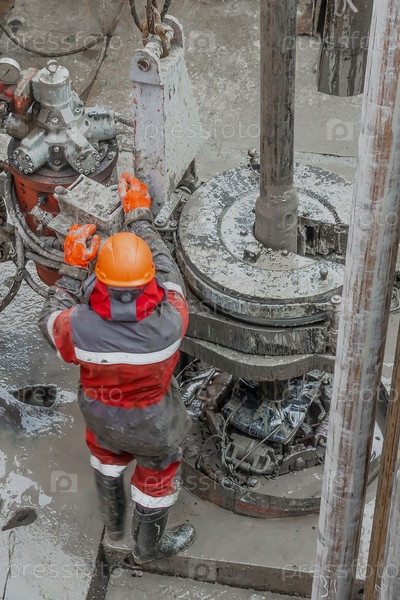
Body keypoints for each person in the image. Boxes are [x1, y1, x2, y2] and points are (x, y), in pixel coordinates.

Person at [39, 173, 195, 564]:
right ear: (148, 281)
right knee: (157, 480)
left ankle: (114, 528)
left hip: (101, 416)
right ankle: (146, 549)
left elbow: (48, 320)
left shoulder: (78, 327)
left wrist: (72, 269)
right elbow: (169, 273)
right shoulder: (172, 321)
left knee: (106, 461)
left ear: (101, 281)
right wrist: (139, 217)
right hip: (155, 426)